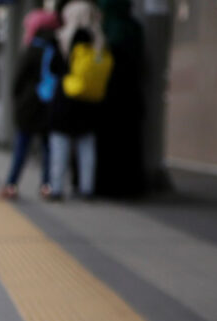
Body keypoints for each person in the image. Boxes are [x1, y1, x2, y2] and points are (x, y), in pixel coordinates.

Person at [47, 0, 107, 200]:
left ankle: (56, 188)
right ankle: (87, 188)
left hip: (65, 100)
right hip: (90, 103)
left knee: (60, 149)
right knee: (87, 149)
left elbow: (54, 68)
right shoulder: (98, 39)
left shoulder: (63, 38)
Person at [0, 10, 61, 200]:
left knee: (22, 148)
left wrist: (17, 100)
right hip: (49, 106)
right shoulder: (56, 49)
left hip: (28, 106)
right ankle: (47, 186)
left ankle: (11, 185)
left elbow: (17, 81)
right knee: (47, 149)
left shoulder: (31, 49)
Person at [93, 0, 146, 197]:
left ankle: (107, 186)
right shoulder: (135, 28)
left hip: (108, 100)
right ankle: (130, 186)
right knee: (129, 145)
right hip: (132, 100)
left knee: (109, 145)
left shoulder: (104, 30)